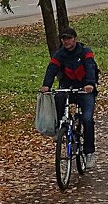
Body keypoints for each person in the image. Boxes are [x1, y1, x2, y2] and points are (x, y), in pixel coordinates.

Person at [40, 26, 99, 168]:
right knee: (58, 98)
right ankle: (59, 128)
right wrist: (46, 85)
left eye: (69, 39)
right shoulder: (59, 54)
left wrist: (90, 84)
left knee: (87, 119)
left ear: (75, 39)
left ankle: (89, 153)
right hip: (68, 88)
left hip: (85, 90)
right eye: (64, 39)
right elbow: (51, 69)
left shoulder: (85, 52)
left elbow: (90, 66)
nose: (67, 42)